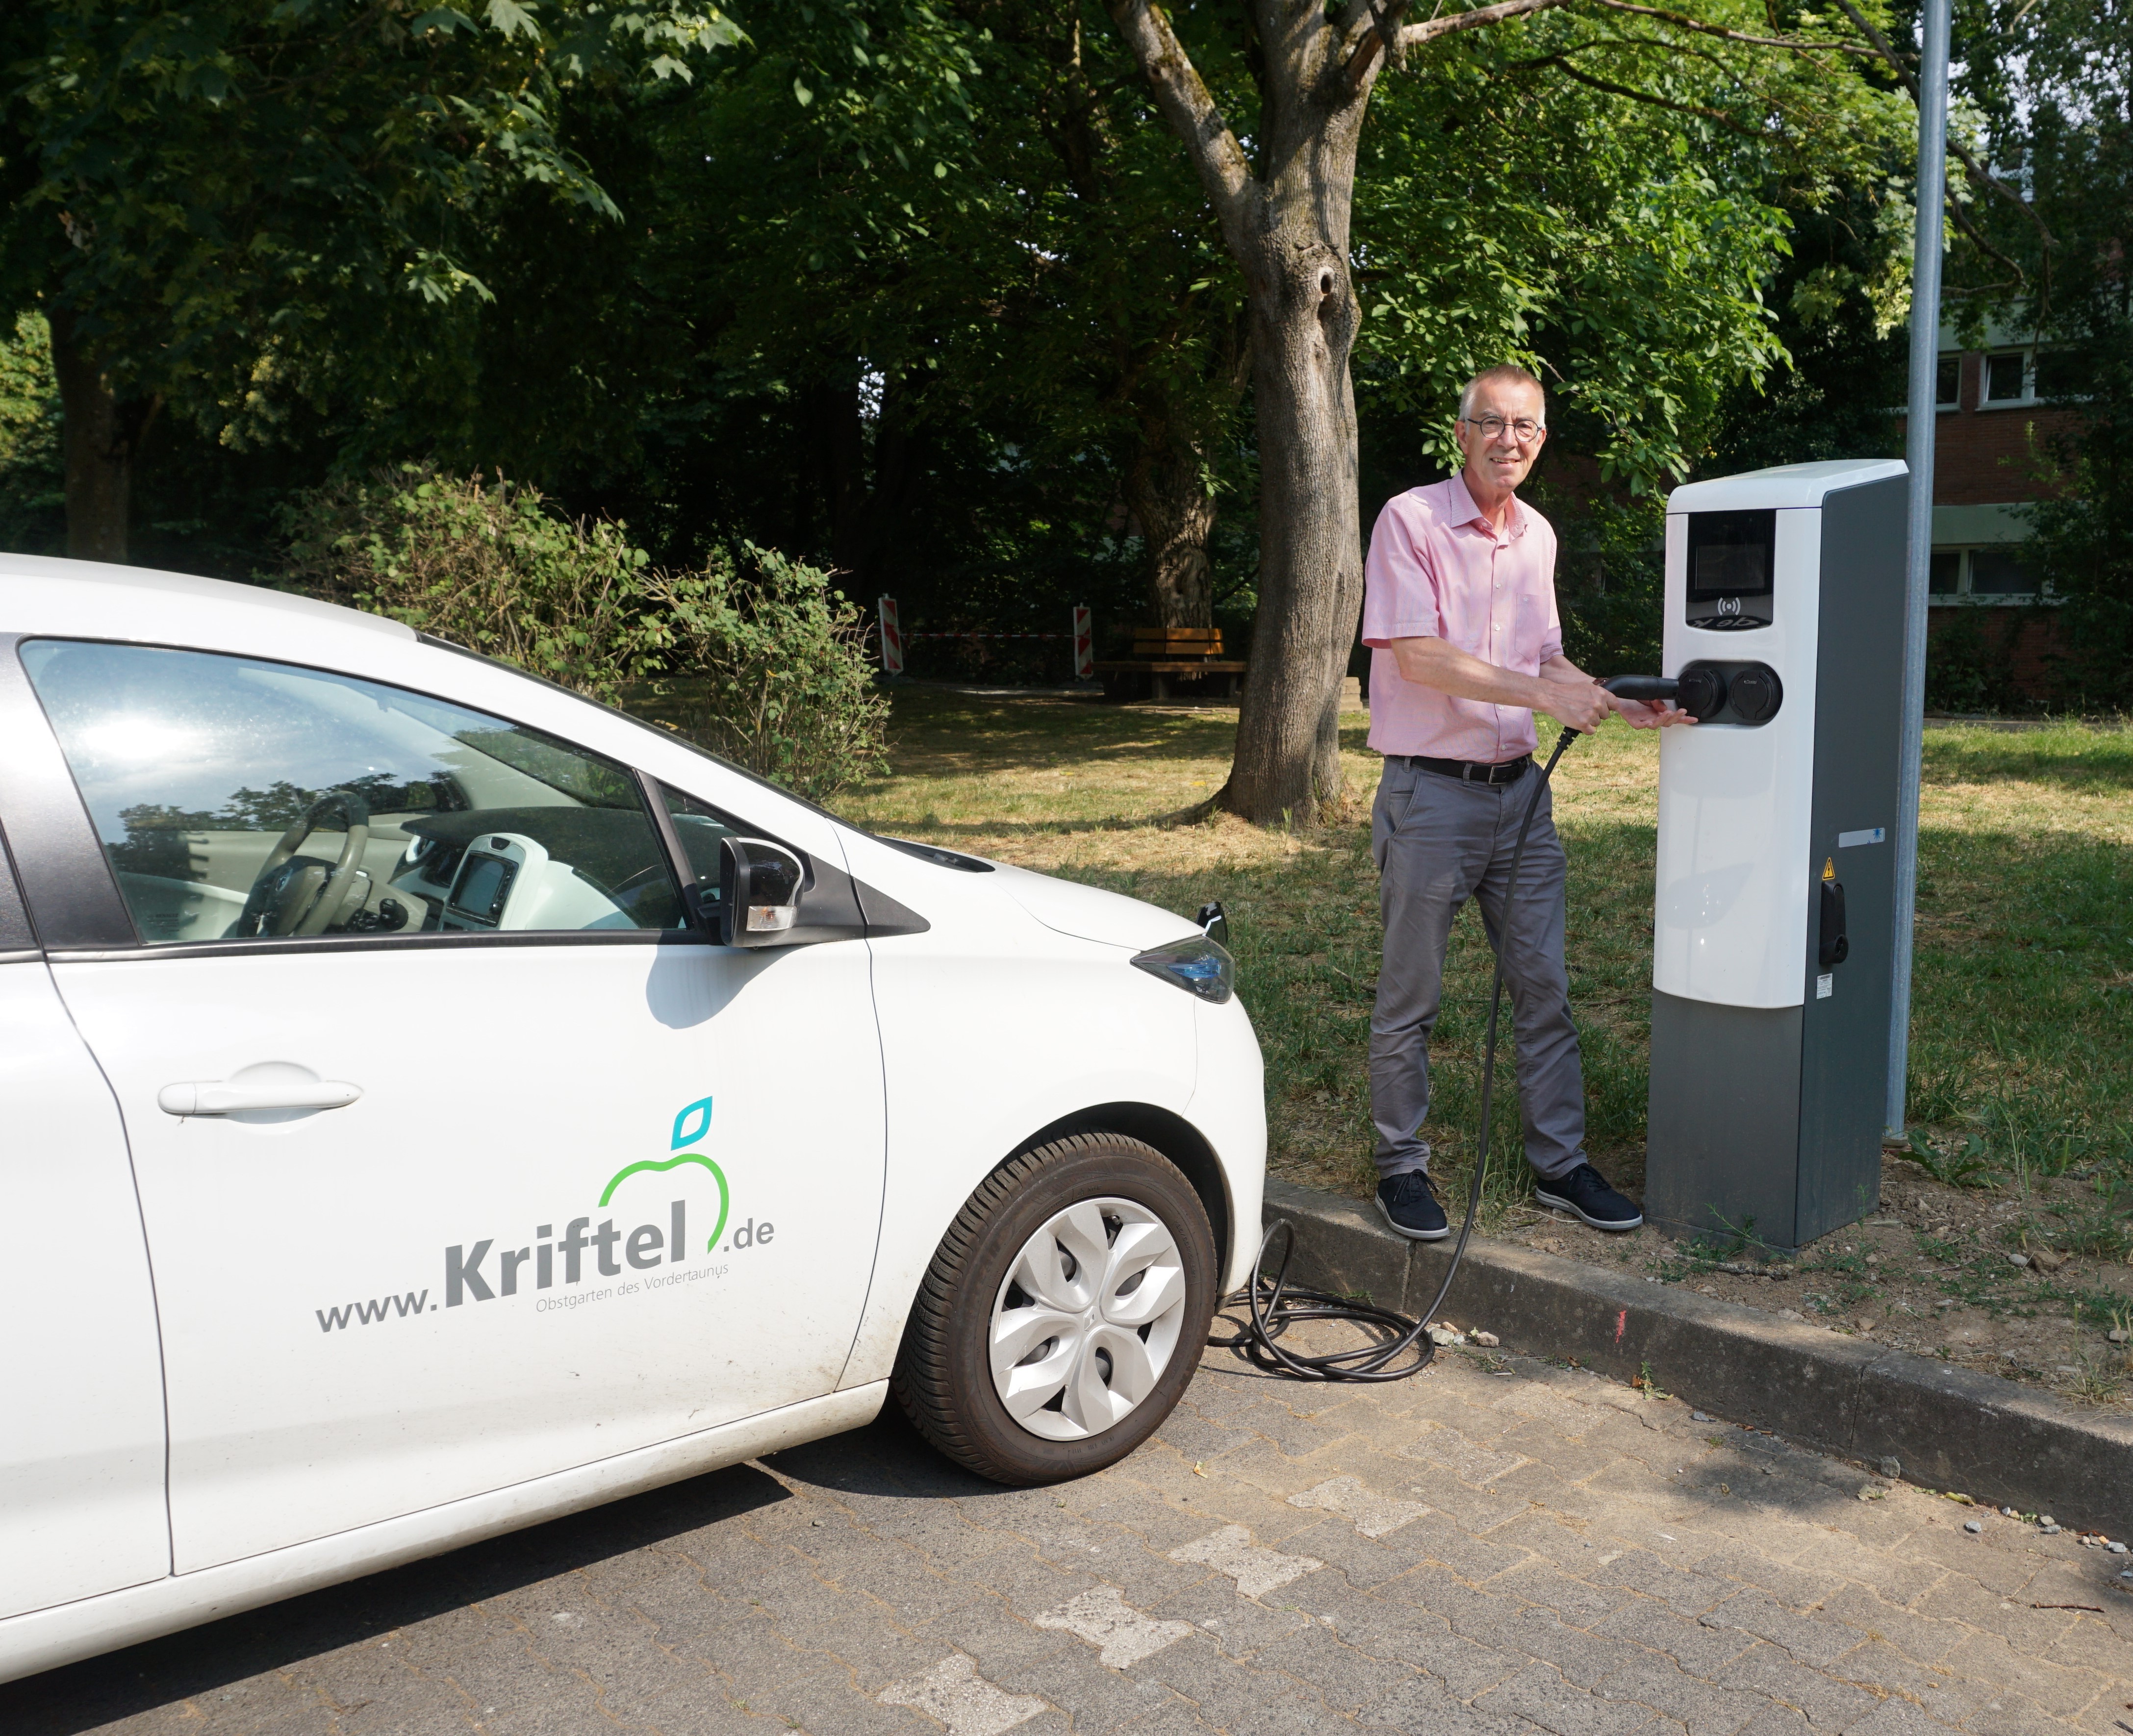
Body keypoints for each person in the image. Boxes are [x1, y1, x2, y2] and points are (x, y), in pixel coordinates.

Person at [1360, 363, 1693, 1241]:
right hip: (1429, 797)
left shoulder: (1537, 535)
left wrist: (1617, 699)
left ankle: (1559, 1165)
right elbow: (1415, 656)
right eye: (1492, 423)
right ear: (1461, 432)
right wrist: (1544, 699)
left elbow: (1548, 659)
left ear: (1541, 441)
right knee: (1411, 997)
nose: (1510, 439)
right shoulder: (1411, 520)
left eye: (1527, 427)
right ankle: (1400, 1165)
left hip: (1520, 802)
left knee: (1543, 986)